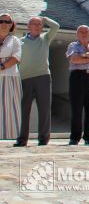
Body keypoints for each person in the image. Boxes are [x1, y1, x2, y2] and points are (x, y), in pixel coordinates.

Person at [15, 16, 58, 147]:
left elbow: (56, 26)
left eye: (40, 24)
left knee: (44, 109)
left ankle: (43, 139)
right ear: (28, 26)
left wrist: (44, 19)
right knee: (23, 110)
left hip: (43, 77)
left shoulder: (45, 39)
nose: (37, 26)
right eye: (34, 23)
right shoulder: (19, 42)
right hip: (24, 79)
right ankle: (22, 139)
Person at [65, 25, 89, 145]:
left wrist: (83, 55)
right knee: (77, 109)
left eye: (86, 31)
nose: (84, 33)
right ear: (77, 34)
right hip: (77, 77)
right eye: (81, 31)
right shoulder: (73, 45)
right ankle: (75, 137)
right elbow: (74, 59)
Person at [0, 13, 22, 140]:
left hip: (9, 78)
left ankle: (10, 136)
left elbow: (16, 58)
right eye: (1, 21)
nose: (4, 24)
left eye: (7, 22)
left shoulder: (15, 40)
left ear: (11, 25)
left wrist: (2, 67)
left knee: (9, 108)